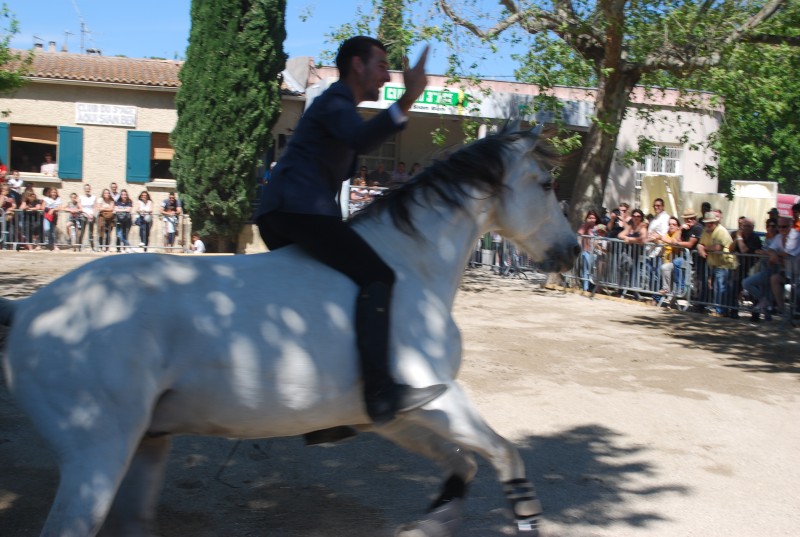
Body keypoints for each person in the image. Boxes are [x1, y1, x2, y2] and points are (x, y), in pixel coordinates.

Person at [254, 36, 445, 441]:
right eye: (381, 65)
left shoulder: (341, 107)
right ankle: (379, 394)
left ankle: (324, 415)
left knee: (333, 297)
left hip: (289, 210)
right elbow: (358, 140)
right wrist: (408, 98)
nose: (387, 74)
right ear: (357, 65)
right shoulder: (335, 100)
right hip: (295, 210)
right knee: (379, 276)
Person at [697, 211, 737, 316]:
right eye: (707, 223)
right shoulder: (706, 231)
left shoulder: (721, 231)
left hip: (725, 263)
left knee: (721, 287)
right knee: (716, 287)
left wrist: (704, 248)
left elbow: (717, 247)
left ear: (715, 222)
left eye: (711, 222)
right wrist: (700, 247)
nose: (709, 224)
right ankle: (720, 309)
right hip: (714, 263)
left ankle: (721, 311)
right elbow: (700, 244)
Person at [728, 217, 762, 317]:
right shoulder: (739, 236)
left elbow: (744, 250)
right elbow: (731, 249)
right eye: (744, 226)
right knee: (735, 289)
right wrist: (736, 238)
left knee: (752, 292)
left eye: (748, 226)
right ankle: (734, 312)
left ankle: (755, 315)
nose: (745, 228)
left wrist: (739, 238)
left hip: (752, 268)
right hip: (740, 267)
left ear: (752, 227)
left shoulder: (755, 238)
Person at [617, 208, 648, 287]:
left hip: (638, 254)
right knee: (623, 267)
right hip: (628, 253)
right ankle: (621, 288)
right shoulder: (630, 227)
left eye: (638, 216)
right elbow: (620, 235)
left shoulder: (643, 227)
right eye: (634, 216)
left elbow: (642, 239)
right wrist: (627, 238)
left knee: (635, 272)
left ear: (641, 217)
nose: (636, 217)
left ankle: (635, 291)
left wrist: (629, 239)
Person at [657, 216, 683, 294]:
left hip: (675, 262)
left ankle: (666, 291)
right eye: (669, 224)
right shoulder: (667, 234)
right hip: (665, 260)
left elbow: (675, 242)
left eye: (674, 224)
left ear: (678, 226)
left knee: (665, 268)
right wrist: (655, 239)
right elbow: (661, 241)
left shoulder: (678, 234)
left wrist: (661, 238)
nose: (671, 226)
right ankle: (663, 294)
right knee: (663, 268)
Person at [577, 210, 599, 291]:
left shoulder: (598, 227)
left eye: (593, 218)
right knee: (586, 270)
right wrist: (586, 224)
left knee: (594, 271)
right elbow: (580, 232)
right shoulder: (585, 226)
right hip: (586, 251)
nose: (592, 219)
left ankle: (593, 287)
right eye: (590, 218)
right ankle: (585, 288)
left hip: (596, 252)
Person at [78, 184, 97, 251]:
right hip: (84, 215)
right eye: (86, 188)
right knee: (82, 232)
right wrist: (86, 214)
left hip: (91, 216)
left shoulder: (93, 197)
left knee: (91, 232)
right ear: (84, 189)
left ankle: (92, 247)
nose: (87, 190)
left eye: (88, 188)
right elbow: (80, 207)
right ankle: (79, 246)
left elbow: (95, 207)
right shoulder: (81, 197)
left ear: (90, 189)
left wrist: (92, 215)